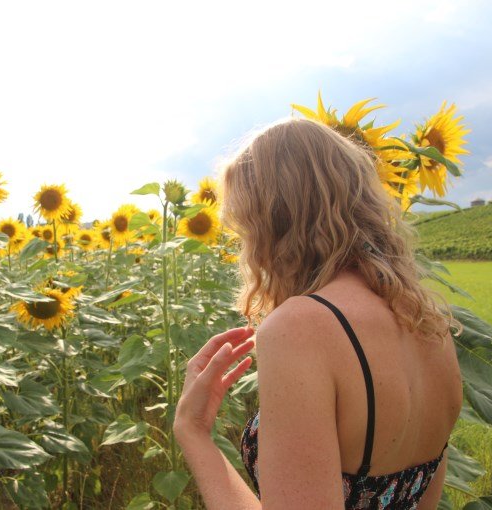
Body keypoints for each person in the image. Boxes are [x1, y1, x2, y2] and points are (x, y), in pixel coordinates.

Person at [173, 118, 464, 509]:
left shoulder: (301, 327)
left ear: (269, 225)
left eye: (243, 230)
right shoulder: (429, 324)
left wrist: (193, 433)